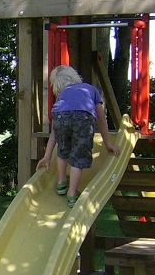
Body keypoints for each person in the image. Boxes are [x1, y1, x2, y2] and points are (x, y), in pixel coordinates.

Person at [37, 64, 120, 208]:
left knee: (63, 149)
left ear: (57, 85)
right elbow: (101, 119)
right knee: (79, 155)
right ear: (75, 76)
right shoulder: (90, 89)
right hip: (83, 118)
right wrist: (108, 144)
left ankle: (61, 182)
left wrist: (47, 156)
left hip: (60, 115)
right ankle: (72, 193)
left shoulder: (62, 96)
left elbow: (55, 133)